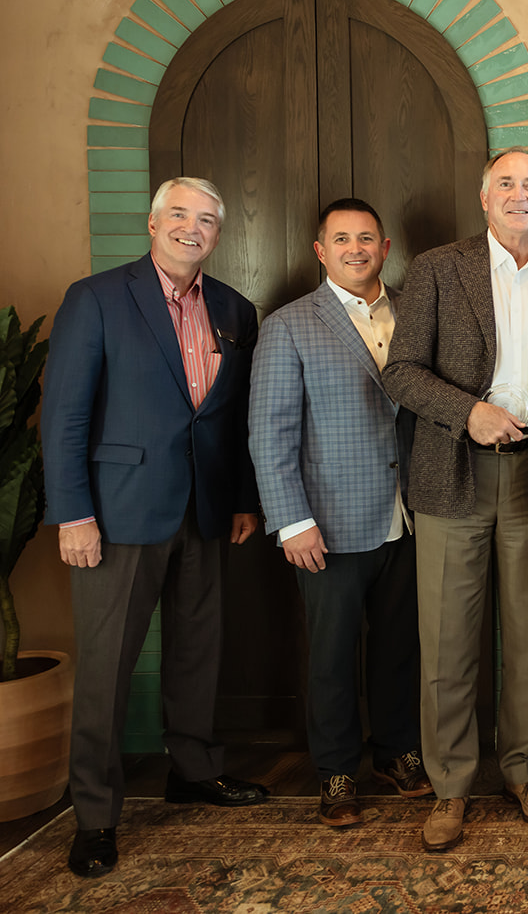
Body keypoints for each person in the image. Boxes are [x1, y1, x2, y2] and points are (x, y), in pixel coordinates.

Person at [41, 177, 268, 879]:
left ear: (218, 235)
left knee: (199, 651)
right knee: (107, 668)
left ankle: (193, 769)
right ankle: (97, 814)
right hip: (117, 513)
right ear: (151, 221)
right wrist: (72, 511)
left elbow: (230, 419)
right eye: (179, 214)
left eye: (206, 219)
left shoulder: (234, 307)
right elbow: (65, 414)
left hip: (204, 509)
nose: (191, 228)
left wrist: (240, 497)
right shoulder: (97, 297)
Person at [381, 150, 528, 851]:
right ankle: (450, 784)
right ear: (483, 197)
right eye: (505, 183)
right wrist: (467, 411)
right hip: (455, 471)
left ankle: (524, 768)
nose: (518, 194)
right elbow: (402, 373)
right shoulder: (437, 269)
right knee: (447, 639)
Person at [248, 198, 431, 829]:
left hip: (411, 516)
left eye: (368, 238)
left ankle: (398, 752)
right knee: (329, 655)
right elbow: (269, 432)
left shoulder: (416, 310)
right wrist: (290, 520)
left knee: (401, 647)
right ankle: (335, 770)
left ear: (386, 248)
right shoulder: (290, 325)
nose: (357, 249)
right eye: (342, 239)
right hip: (326, 522)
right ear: (321, 251)